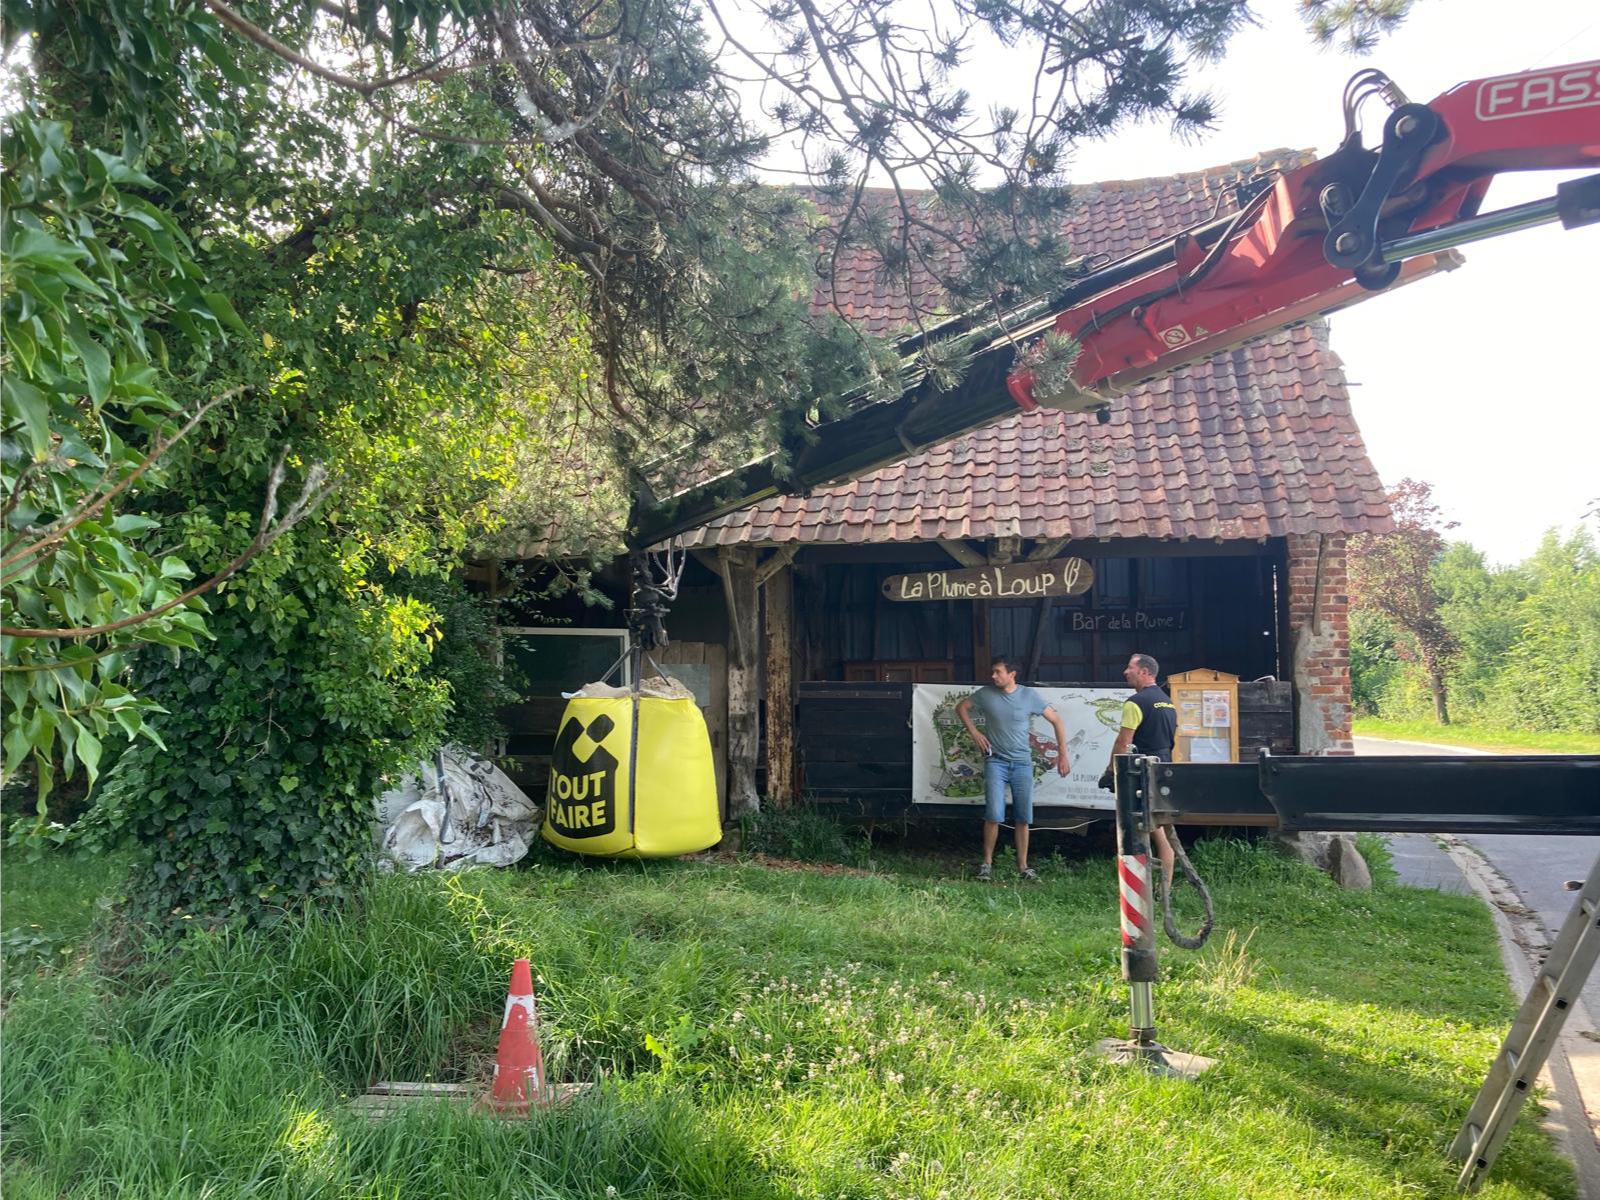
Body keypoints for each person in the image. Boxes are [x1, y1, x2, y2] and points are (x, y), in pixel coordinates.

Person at [956, 657, 1070, 881]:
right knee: (993, 814)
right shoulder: (986, 694)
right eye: (993, 672)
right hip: (995, 761)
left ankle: (1023, 866)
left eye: (998, 672)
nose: (993, 676)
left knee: (1023, 817)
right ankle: (987, 864)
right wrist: (975, 733)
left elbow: (1057, 721)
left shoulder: (1029, 696)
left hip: (1022, 764)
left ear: (1012, 674)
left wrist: (1063, 755)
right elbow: (961, 708)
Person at [1099, 652, 1178, 889]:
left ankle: (1140, 888)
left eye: (1130, 668)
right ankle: (1164, 888)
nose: (1125, 672)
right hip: (1164, 768)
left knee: (1142, 831)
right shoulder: (1168, 702)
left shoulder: (1135, 702)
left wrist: (1110, 771)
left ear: (1144, 672)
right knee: (1162, 830)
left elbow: (1124, 741)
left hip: (1141, 771)